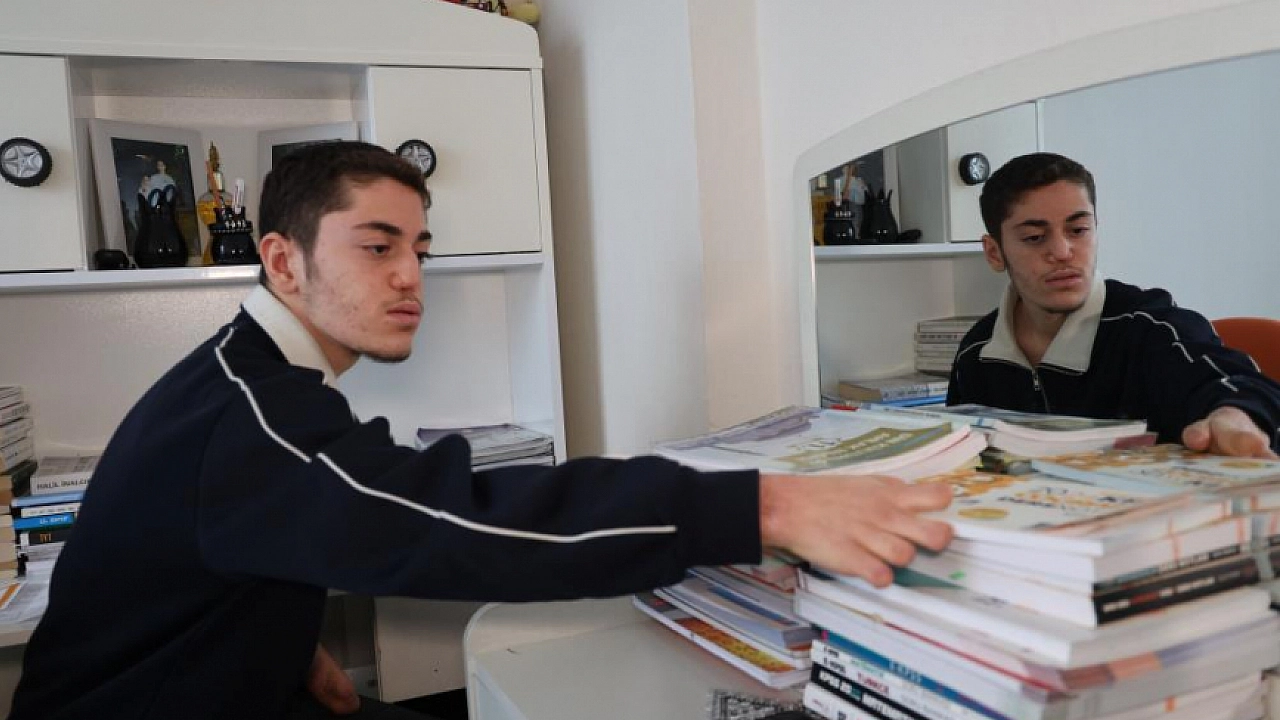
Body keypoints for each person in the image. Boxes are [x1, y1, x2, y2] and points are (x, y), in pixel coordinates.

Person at [9, 142, 954, 720]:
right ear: (283, 262)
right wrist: (767, 506)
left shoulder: (243, 375)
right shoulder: (260, 415)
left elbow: (197, 558)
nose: (411, 276)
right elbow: (454, 520)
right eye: (377, 246)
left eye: (419, 249)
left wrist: (281, 647)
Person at [947, 152, 1280, 458]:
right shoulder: (976, 352)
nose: (1062, 252)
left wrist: (1234, 416)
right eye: (1035, 237)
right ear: (995, 253)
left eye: (1078, 230)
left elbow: (1231, 382)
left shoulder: (1150, 326)